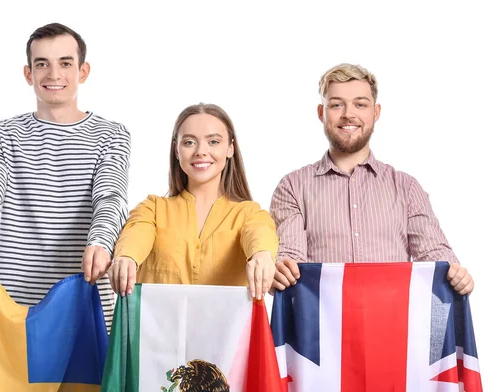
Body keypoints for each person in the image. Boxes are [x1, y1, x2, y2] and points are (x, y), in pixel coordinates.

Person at [0, 23, 131, 329]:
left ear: (83, 71)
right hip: (19, 309)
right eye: (42, 64)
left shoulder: (111, 135)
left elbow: (110, 197)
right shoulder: (4, 133)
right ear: (29, 74)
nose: (54, 74)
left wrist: (101, 242)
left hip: (88, 300)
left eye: (65, 63)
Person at [270, 63, 474, 295]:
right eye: (336, 105)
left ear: (375, 113)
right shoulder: (293, 187)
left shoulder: (406, 188)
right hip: (324, 327)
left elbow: (434, 255)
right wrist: (280, 270)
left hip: (390, 323)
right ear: (321, 113)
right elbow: (290, 259)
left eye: (360, 104)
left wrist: (456, 273)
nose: (348, 114)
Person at [107, 103, 277, 300]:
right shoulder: (152, 209)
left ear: (230, 148)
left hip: (228, 330)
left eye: (213, 142)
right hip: (160, 329)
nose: (200, 152)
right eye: (189, 142)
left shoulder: (249, 214)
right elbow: (136, 234)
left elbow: (259, 233)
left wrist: (262, 255)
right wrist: (126, 257)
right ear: (177, 150)